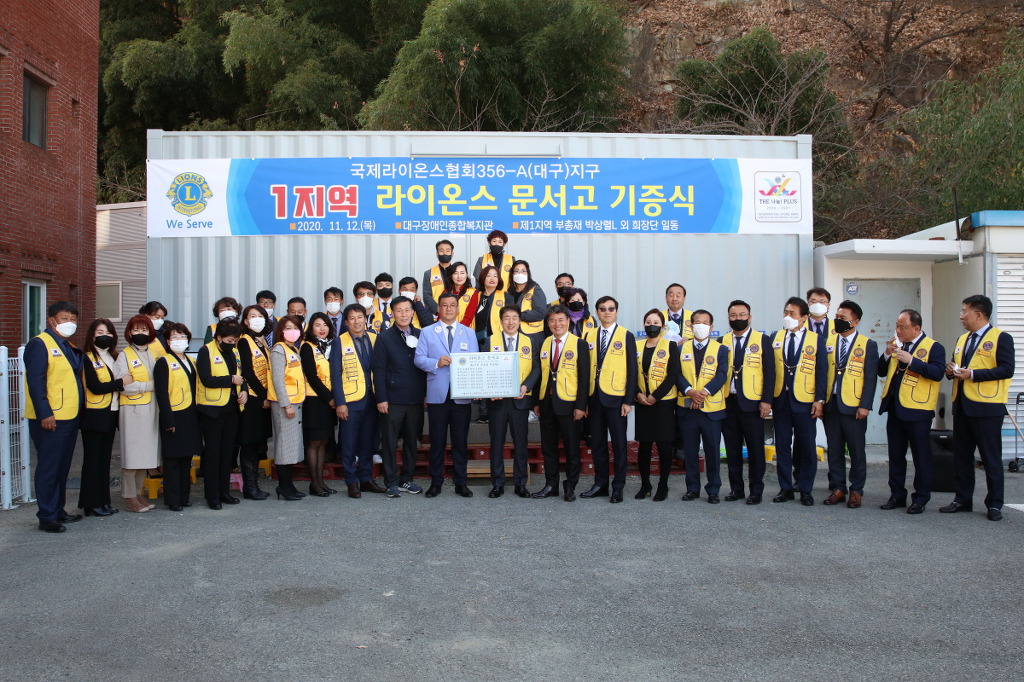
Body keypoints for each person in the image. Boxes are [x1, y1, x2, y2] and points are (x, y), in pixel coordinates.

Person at [941, 294, 1015, 521]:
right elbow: (958, 366)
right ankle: (962, 499)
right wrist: (951, 370)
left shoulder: (1001, 338)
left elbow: (1007, 369)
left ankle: (994, 504)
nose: (961, 316)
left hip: (987, 408)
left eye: (964, 311)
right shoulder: (962, 339)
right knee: (962, 457)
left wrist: (972, 374)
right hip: (962, 406)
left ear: (979, 314)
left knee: (990, 458)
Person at [24, 301, 85, 532]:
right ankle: (47, 515)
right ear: (52, 321)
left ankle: (58, 510)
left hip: (69, 415)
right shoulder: (40, 344)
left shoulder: (67, 345)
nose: (70, 323)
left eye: (73, 319)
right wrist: (45, 413)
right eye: (64, 318)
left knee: (62, 466)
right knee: (49, 467)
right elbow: (36, 383)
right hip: (50, 417)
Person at [877, 309, 945, 514]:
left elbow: (937, 373)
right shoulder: (897, 345)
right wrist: (887, 353)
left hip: (918, 410)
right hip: (895, 408)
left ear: (916, 328)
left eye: (903, 327)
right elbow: (881, 370)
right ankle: (897, 495)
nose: (898, 331)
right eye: (897, 326)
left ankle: (920, 498)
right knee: (896, 455)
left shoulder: (933, 347)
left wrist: (912, 361)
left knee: (920, 456)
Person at [414, 292, 479, 497]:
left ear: (458, 308)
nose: (449, 309)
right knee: (437, 441)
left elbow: (475, 363)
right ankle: (436, 482)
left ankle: (461, 482)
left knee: (460, 442)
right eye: (444, 305)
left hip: (462, 396)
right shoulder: (427, 332)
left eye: (452, 305)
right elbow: (418, 359)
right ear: (438, 309)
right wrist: (436, 363)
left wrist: (477, 389)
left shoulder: (468, 333)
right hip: (437, 396)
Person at [821, 300, 878, 508]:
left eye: (842, 318)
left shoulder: (867, 344)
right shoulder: (828, 342)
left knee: (856, 450)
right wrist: (821, 401)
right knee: (834, 449)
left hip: (854, 406)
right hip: (832, 404)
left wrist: (865, 405)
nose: (838, 320)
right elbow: (822, 374)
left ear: (855, 321)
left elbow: (870, 378)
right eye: (837, 317)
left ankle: (856, 490)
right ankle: (838, 488)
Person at [770, 297, 827, 505]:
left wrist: (819, 399)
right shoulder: (775, 337)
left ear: (803, 317)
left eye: (792, 313)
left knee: (807, 446)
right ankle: (785, 488)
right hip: (781, 400)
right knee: (782, 446)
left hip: (805, 400)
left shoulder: (815, 339)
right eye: (786, 312)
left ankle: (805, 489)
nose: (788, 316)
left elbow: (822, 372)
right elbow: (769, 370)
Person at [581, 296, 637, 503]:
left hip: (616, 399)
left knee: (619, 445)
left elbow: (632, 370)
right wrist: (584, 402)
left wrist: (628, 401)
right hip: (594, 398)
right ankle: (600, 484)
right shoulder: (589, 335)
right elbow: (584, 370)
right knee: (598, 444)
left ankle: (618, 487)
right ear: (597, 312)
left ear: (616, 312)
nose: (607, 312)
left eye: (611, 309)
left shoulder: (626, 335)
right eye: (603, 309)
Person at [719, 300, 775, 505]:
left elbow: (770, 372)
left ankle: (756, 490)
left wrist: (766, 401)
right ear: (728, 318)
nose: (738, 319)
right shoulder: (722, 341)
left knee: (755, 450)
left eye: (742, 315)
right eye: (733, 315)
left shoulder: (762, 340)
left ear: (749, 317)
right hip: (728, 403)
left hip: (753, 404)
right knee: (732, 450)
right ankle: (736, 489)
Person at [533, 305, 590, 501]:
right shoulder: (545, 343)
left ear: (568, 321)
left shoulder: (579, 344)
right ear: (548, 323)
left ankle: (570, 485)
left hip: (569, 404)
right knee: (548, 448)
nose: (556, 324)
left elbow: (584, 378)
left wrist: (581, 406)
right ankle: (551, 484)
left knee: (572, 448)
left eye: (560, 320)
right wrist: (537, 401)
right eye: (552, 320)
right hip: (547, 404)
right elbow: (541, 374)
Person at [372, 296, 427, 497]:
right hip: (392, 399)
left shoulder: (421, 335)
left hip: (415, 398)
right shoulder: (384, 338)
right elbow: (378, 370)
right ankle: (391, 481)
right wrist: (381, 398)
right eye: (399, 310)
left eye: (407, 310)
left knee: (412, 441)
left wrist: (426, 394)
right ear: (392, 314)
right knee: (389, 441)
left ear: (413, 312)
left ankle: (407, 479)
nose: (404, 314)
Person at [331, 303, 386, 498]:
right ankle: (351, 482)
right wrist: (340, 403)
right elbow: (335, 375)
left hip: (372, 399)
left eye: (360, 317)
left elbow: (380, 368)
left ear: (365, 319)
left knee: (368, 442)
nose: (357, 322)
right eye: (352, 318)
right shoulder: (339, 341)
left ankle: (366, 479)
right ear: (346, 322)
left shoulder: (374, 337)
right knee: (349, 443)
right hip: (350, 401)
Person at [486, 305, 540, 498]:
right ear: (501, 321)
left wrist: (526, 386)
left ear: (519, 320)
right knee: (496, 443)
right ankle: (497, 484)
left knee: (520, 443)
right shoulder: (490, 341)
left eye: (514, 318)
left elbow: (536, 368)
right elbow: (484, 368)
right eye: (507, 318)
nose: (511, 322)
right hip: (497, 402)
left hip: (520, 401)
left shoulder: (529, 341)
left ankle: (520, 483)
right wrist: (490, 390)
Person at [676, 310, 729, 503]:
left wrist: (703, 392)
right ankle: (692, 488)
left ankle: (713, 490)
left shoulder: (721, 349)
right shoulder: (681, 348)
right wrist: (690, 391)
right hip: (687, 408)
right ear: (691, 326)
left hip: (711, 410)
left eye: (705, 322)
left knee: (712, 451)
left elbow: (722, 375)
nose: (701, 326)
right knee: (690, 451)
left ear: (711, 327)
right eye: (697, 322)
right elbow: (676, 374)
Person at [196, 319, 248, 510]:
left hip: (232, 408)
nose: (232, 343)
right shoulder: (206, 351)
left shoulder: (234, 351)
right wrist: (230, 380)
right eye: (228, 340)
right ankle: (212, 496)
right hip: (212, 409)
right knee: (213, 453)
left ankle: (224, 492)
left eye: (235, 340)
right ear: (218, 337)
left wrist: (244, 390)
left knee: (227, 453)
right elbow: (206, 379)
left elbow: (242, 376)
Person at [79, 318, 128, 517]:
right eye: (100, 333)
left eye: (108, 333)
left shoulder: (113, 356)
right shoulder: (87, 358)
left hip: (111, 413)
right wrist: (120, 383)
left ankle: (103, 501)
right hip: (94, 415)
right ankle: (91, 504)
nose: (104, 336)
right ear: (92, 336)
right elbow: (95, 387)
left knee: (104, 461)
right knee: (93, 461)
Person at [114, 315, 160, 514]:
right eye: (136, 330)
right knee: (132, 456)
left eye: (144, 330)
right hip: (133, 411)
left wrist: (142, 385)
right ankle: (129, 496)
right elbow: (124, 386)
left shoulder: (155, 353)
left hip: (152, 409)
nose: (140, 333)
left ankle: (138, 493)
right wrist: (150, 386)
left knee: (145, 455)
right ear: (129, 333)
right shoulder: (124, 356)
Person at [153, 322, 202, 511]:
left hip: (190, 414)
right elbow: (162, 393)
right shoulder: (163, 362)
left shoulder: (191, 361)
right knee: (172, 459)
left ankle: (184, 496)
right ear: (167, 341)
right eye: (174, 337)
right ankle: (173, 499)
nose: (179, 340)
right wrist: (167, 418)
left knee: (186, 458)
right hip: (173, 414)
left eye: (182, 337)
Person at [634, 310, 680, 500]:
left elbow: (673, 375)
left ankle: (663, 485)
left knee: (664, 446)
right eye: (648, 322)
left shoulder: (670, 346)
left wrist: (655, 396)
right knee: (644, 446)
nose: (651, 325)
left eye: (655, 322)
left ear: (662, 326)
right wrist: (637, 394)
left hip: (663, 402)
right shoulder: (636, 345)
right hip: (642, 401)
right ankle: (645, 484)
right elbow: (630, 373)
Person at [267, 315, 307, 501]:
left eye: (296, 328)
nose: (293, 331)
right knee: (284, 448)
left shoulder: (293, 349)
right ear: (280, 331)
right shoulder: (278, 350)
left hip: (295, 403)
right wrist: (286, 404)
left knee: (291, 447)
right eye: (288, 328)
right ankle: (283, 487)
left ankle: (289, 485)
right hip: (286, 405)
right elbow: (278, 380)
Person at [236, 305, 273, 500]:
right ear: (245, 321)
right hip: (252, 400)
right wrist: (263, 396)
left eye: (261, 316)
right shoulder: (244, 341)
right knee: (249, 444)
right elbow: (248, 372)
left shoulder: (262, 342)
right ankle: (250, 488)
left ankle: (254, 485)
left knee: (258, 443)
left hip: (262, 400)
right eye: (253, 316)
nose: (257, 319)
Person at [300, 313, 338, 497]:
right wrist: (329, 398)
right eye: (317, 325)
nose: (322, 328)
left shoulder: (330, 346)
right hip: (314, 401)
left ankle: (321, 482)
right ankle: (314, 484)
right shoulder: (307, 346)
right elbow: (312, 377)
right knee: (314, 442)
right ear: (311, 328)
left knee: (323, 442)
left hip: (328, 401)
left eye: (325, 325)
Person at [473, 265, 504, 424]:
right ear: (482, 278)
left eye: (495, 276)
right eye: (489, 275)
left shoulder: (505, 296)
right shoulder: (475, 296)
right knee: (481, 376)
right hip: (477, 341)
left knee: (494, 376)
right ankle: (483, 412)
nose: (492, 279)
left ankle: (494, 411)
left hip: (496, 341)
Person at [505, 260, 547, 339]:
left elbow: (541, 312)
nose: (520, 273)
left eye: (523, 271)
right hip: (513, 334)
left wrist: (519, 315)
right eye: (517, 271)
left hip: (533, 335)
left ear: (528, 273)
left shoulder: (535, 289)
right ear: (512, 274)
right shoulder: (509, 292)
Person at [422, 238, 454, 317]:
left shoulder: (458, 272)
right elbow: (427, 296)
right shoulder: (429, 273)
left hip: (455, 313)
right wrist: (438, 311)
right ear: (437, 253)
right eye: (441, 251)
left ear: (452, 253)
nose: (444, 253)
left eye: (447, 250)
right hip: (436, 314)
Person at [444, 262, 479, 329]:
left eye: (462, 273)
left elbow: (468, 318)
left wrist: (456, 331)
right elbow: (441, 314)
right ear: (451, 276)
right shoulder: (446, 292)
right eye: (455, 273)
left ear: (466, 275)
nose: (459, 276)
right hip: (446, 330)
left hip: (465, 330)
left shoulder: (473, 292)